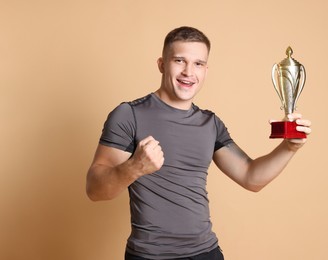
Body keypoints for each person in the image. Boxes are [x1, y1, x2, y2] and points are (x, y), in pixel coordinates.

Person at [86, 26, 312, 260]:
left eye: (198, 64)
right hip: (150, 255)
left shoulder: (210, 123)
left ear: (206, 70)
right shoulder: (129, 114)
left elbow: (251, 177)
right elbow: (94, 190)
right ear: (162, 64)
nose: (188, 72)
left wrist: (289, 147)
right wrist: (134, 167)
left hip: (206, 253)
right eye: (179, 60)